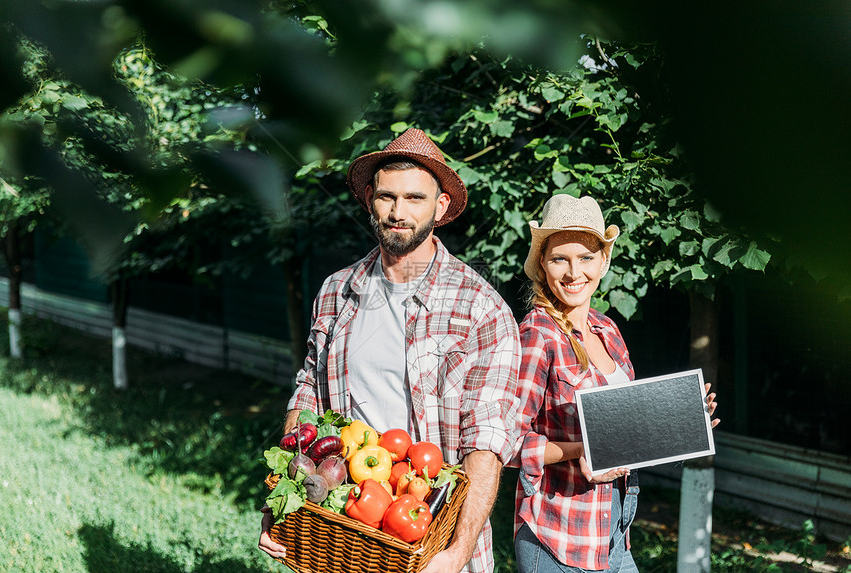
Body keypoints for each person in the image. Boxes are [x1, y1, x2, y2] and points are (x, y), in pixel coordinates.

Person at [258, 128, 521, 573]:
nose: (398, 212)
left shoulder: (481, 309)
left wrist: (457, 553)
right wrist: (283, 501)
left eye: (415, 198)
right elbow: (307, 398)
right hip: (344, 532)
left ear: (440, 207)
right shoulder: (337, 292)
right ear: (368, 199)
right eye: (387, 197)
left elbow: (487, 443)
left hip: (431, 540)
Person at [510, 194, 719, 572]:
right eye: (560, 258)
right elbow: (507, 443)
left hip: (614, 531)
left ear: (604, 261)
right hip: (559, 536)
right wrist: (581, 450)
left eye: (586, 257)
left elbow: (627, 426)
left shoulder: (607, 329)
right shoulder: (537, 334)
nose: (574, 272)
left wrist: (684, 418)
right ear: (543, 263)